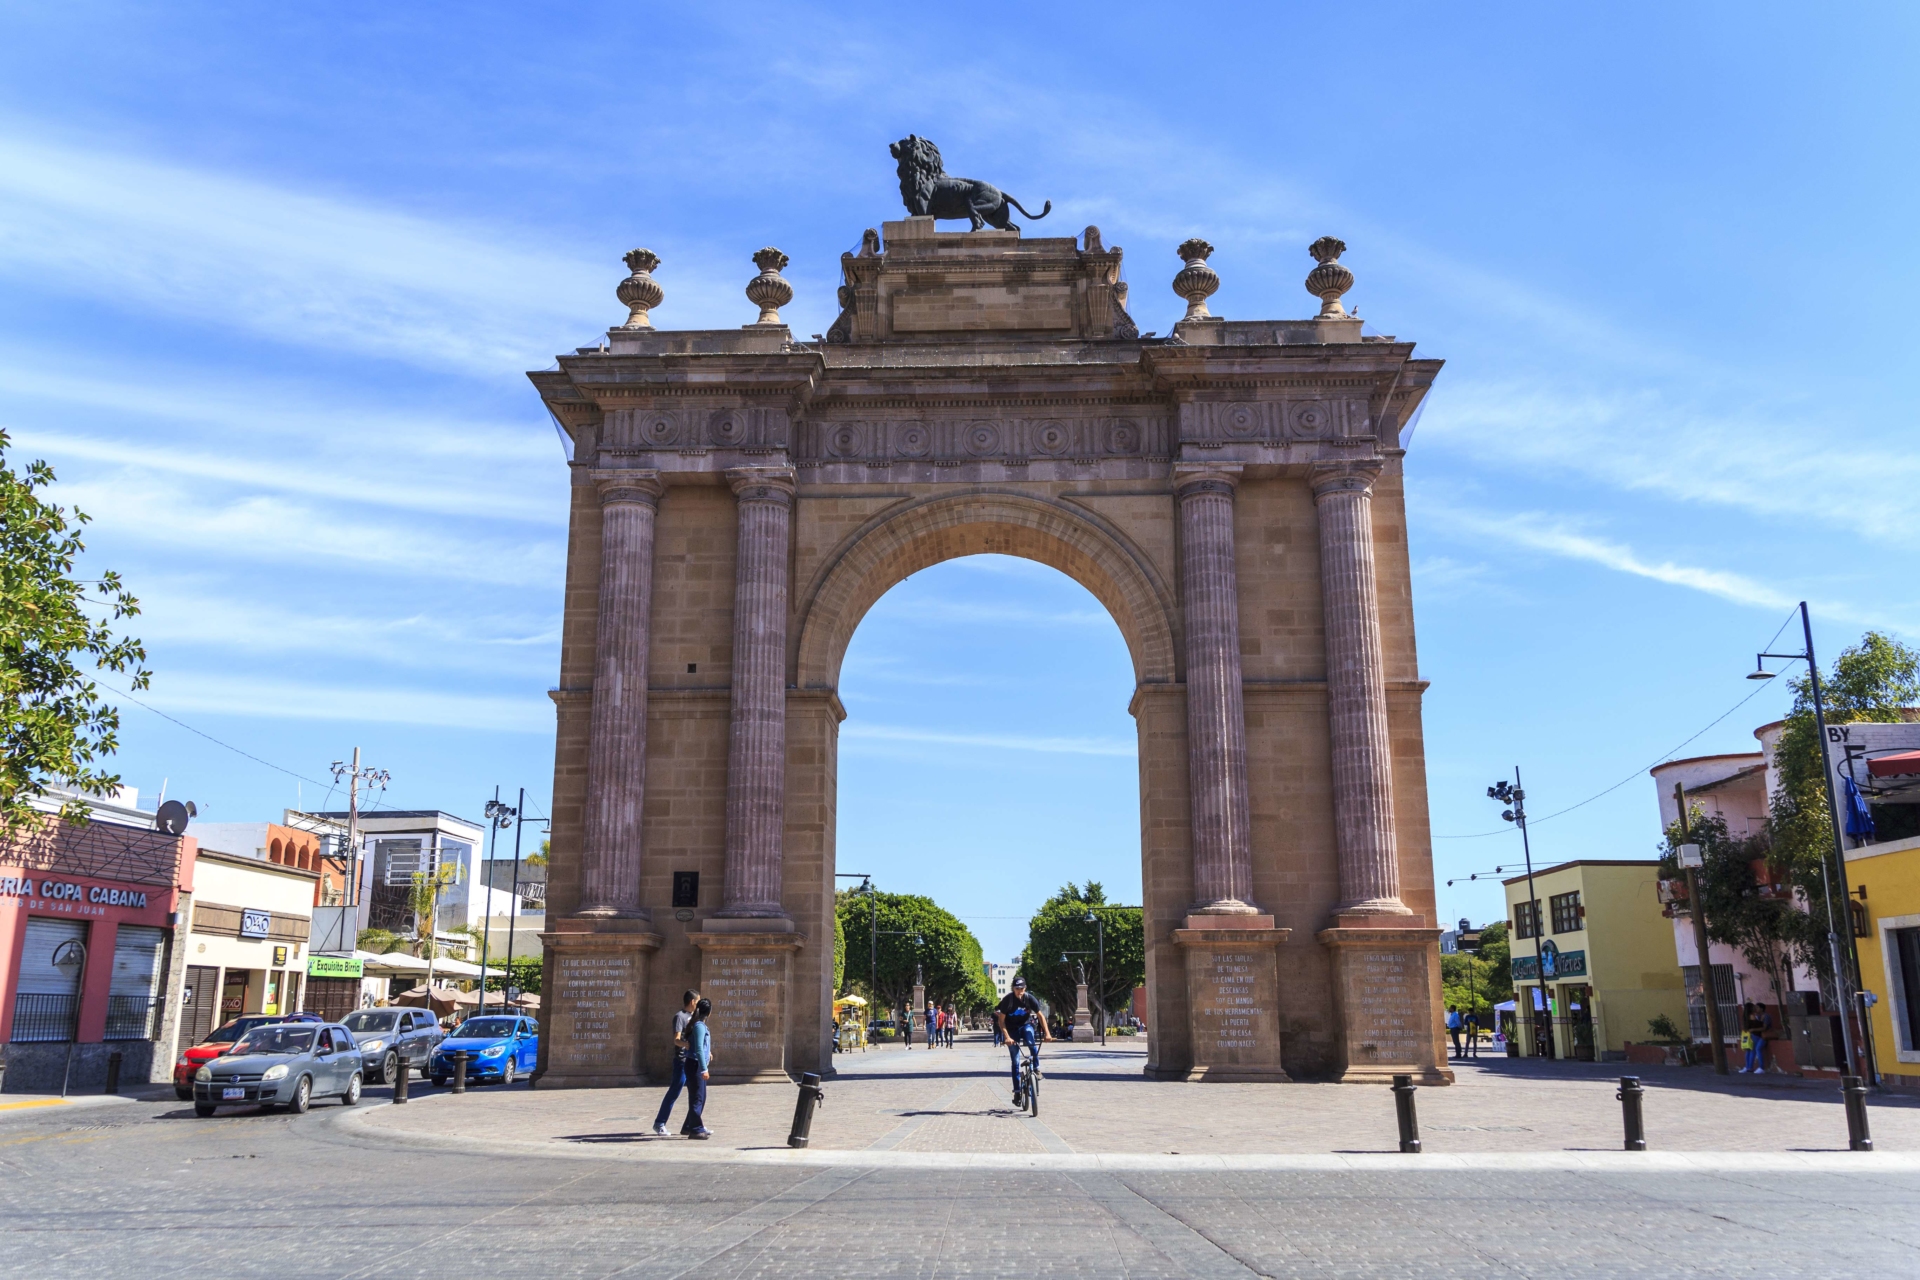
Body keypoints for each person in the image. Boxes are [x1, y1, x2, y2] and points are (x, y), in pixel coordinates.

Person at [994, 976, 1050, 1106]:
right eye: (1017, 988)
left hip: (1026, 1025)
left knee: (1032, 1043)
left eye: (1022, 988)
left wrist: (1047, 1033)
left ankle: (1036, 1068)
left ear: (1025, 988)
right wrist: (1007, 1037)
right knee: (1015, 1061)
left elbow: (1040, 1016)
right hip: (1011, 1029)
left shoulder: (1030, 999)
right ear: (1013, 989)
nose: (1020, 991)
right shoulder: (1008, 1000)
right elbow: (1001, 1021)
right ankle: (1017, 1091)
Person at [652, 989, 701, 1136]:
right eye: (698, 1001)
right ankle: (660, 1123)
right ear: (692, 1001)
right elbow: (676, 1039)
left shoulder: (694, 1017)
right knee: (675, 1091)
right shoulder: (680, 1017)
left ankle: (690, 1125)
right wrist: (685, 1045)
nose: (698, 1004)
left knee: (696, 1094)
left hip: (691, 1060)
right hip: (681, 1061)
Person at [681, 997, 713, 1138]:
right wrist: (704, 1069)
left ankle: (689, 1126)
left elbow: (700, 1046)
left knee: (698, 1097)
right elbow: (699, 1048)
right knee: (698, 1098)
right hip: (695, 1065)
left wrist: (708, 1053)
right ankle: (696, 1129)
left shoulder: (697, 1024)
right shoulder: (699, 1025)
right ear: (709, 1012)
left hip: (694, 1063)